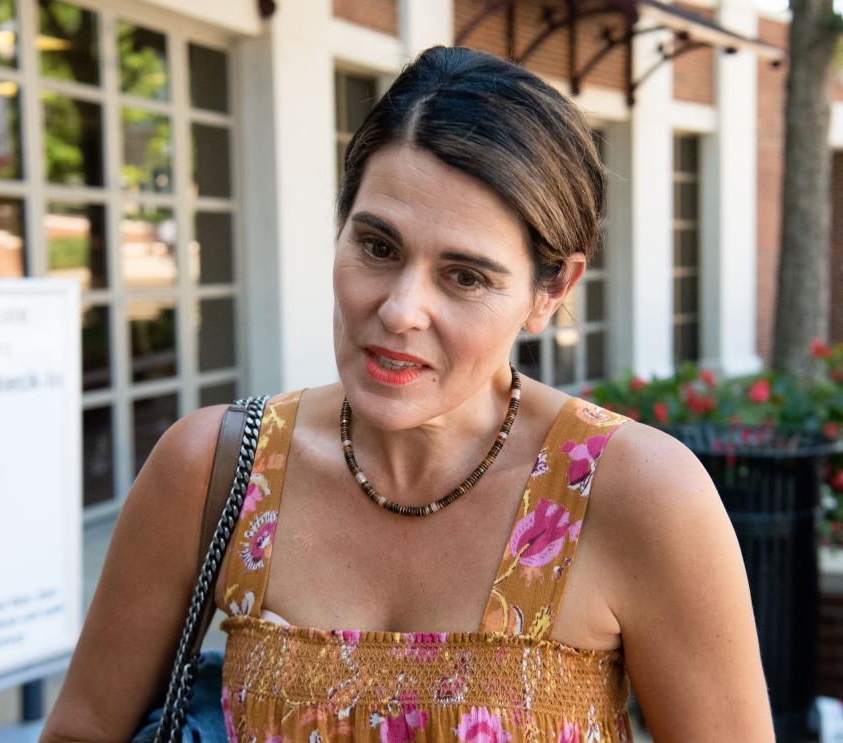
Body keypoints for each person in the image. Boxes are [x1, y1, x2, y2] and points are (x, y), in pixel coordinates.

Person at [41, 46, 773, 742]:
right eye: (378, 247)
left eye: (465, 276)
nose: (399, 310)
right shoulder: (215, 469)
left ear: (553, 290)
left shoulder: (636, 496)